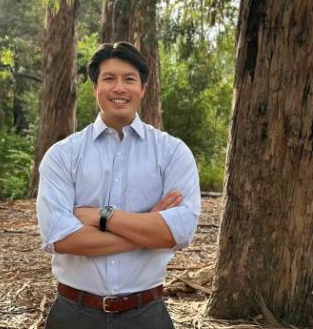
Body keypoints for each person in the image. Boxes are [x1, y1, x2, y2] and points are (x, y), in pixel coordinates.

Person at [36, 41, 201, 328]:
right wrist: (149, 226)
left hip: (146, 314)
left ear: (143, 89)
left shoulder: (172, 152)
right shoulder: (63, 154)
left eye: (129, 79)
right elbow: (61, 238)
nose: (119, 88)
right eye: (109, 78)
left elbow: (180, 230)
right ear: (95, 88)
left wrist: (101, 216)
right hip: (74, 314)